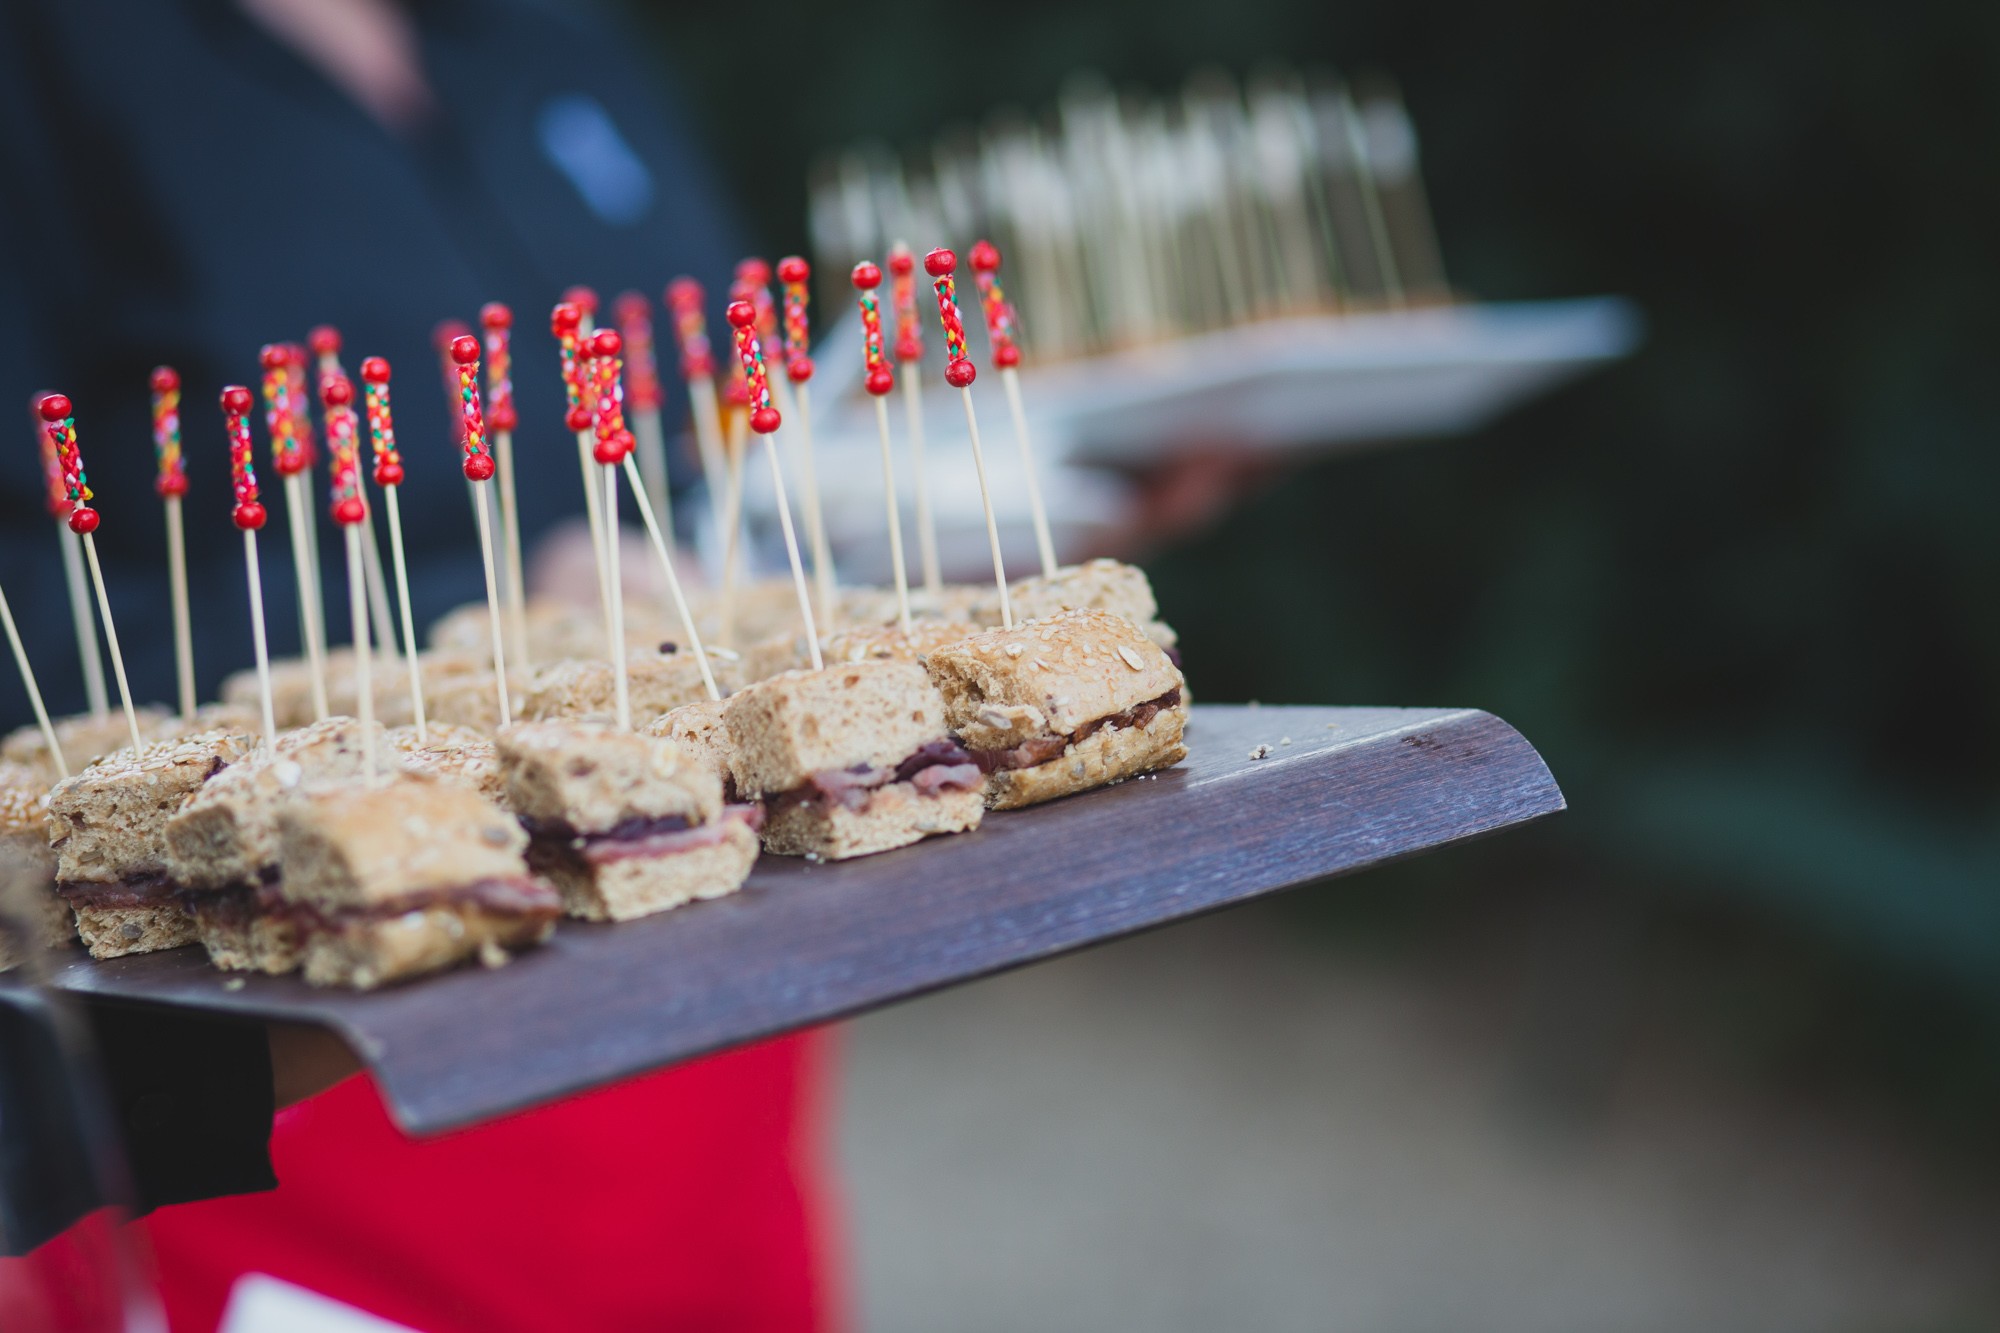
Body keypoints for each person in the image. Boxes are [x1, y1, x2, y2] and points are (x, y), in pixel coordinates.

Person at [0, 1, 839, 1328]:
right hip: (312, 1060)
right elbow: (41, 637)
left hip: (710, 1007)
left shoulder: (549, 32)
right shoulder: (48, 69)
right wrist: (495, 607)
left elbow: (735, 433)